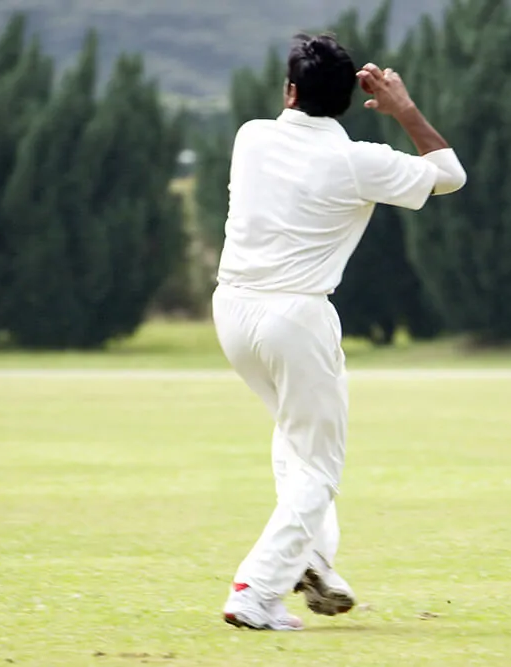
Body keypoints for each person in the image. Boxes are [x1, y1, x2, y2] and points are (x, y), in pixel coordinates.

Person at [214, 33, 467, 631]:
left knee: (296, 443)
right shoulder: (358, 160)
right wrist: (403, 108)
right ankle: (255, 590)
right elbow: (449, 174)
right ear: (350, 100)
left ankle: (315, 564)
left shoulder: (250, 136)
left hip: (232, 310)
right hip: (295, 318)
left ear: (290, 90)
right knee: (319, 467)